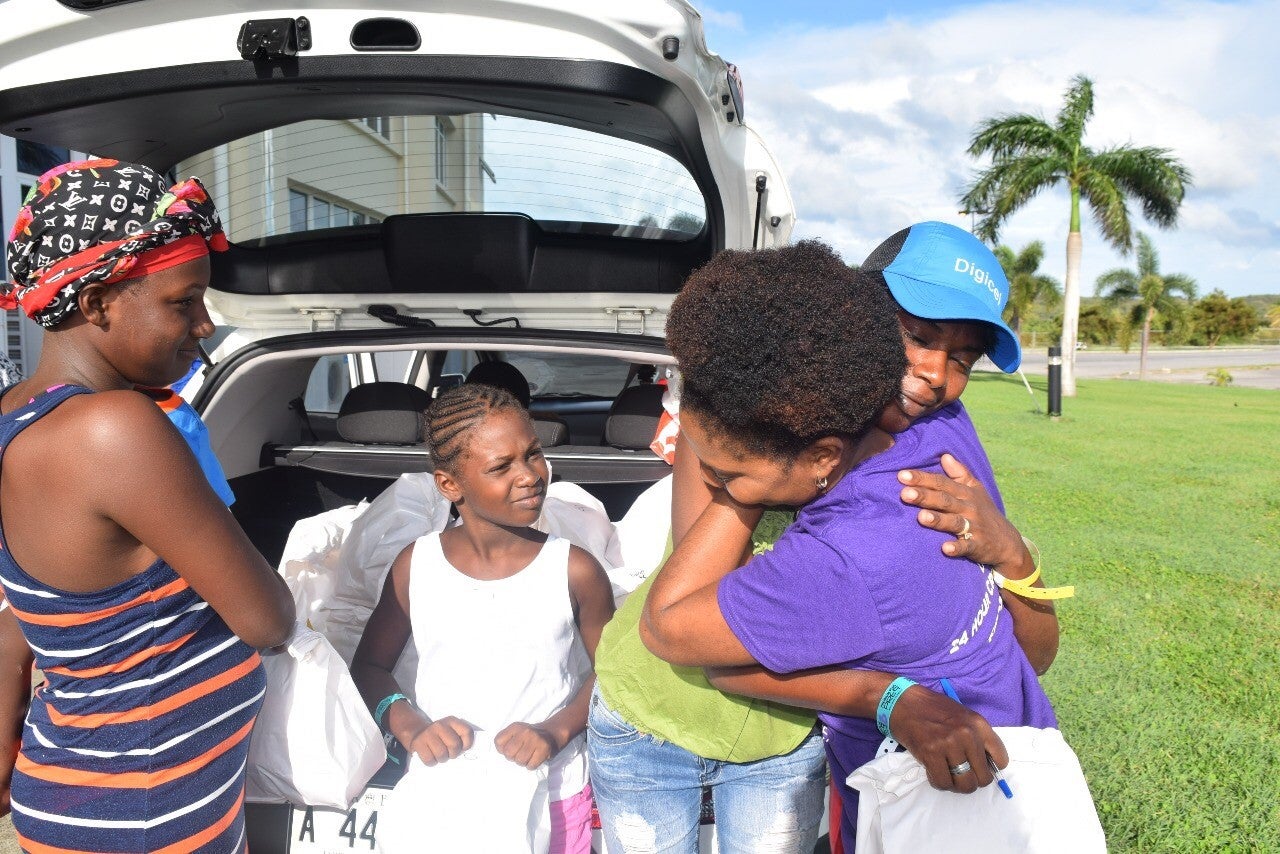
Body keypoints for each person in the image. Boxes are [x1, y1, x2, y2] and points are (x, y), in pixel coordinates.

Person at [588, 228, 1058, 854]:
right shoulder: (750, 410)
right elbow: (688, 612)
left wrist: (1014, 554)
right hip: (656, 717)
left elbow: (1029, 650)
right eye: (916, 336)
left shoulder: (926, 450)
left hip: (792, 751)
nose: (935, 375)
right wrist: (757, 465)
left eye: (962, 359)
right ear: (853, 314)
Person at [0, 158, 294, 851]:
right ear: (99, 302)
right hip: (140, 809)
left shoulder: (19, 414)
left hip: (101, 794)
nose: (204, 325)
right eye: (182, 302)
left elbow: (36, 615)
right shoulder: (116, 430)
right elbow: (266, 617)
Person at [350, 383, 615, 854]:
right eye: (501, 466)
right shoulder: (417, 564)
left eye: (533, 454)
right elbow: (368, 666)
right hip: (446, 797)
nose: (530, 475)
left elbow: (614, 674)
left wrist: (555, 732)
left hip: (552, 793)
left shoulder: (574, 568)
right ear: (449, 485)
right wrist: (409, 725)